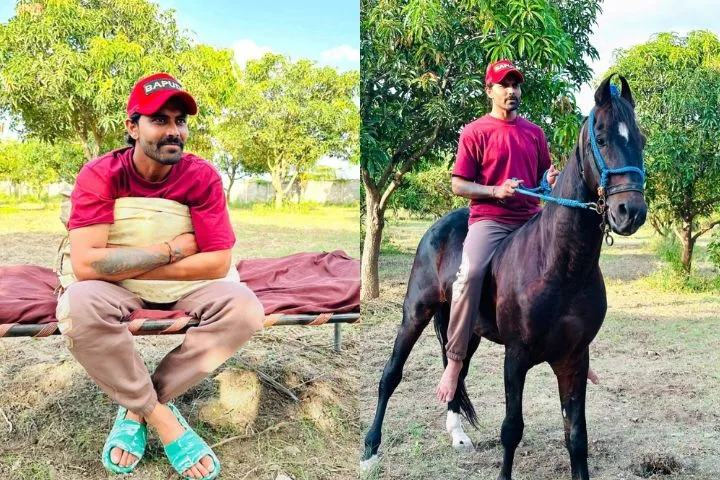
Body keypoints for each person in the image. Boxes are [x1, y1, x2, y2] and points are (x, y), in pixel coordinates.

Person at [55, 73, 265, 479]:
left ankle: (137, 406)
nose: (174, 131)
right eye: (160, 120)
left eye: (180, 120)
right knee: (77, 309)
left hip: (188, 288)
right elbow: (87, 266)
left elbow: (217, 263)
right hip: (115, 289)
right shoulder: (101, 175)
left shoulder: (201, 176)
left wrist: (125, 256)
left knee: (245, 310)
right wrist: (171, 248)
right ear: (132, 127)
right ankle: (162, 419)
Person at [435, 60, 596, 403]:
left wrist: (549, 181)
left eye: (516, 85)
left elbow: (542, 179)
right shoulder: (475, 131)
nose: (512, 91)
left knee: (574, 269)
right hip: (491, 221)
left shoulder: (534, 133)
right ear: (489, 90)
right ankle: (455, 360)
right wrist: (495, 191)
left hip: (531, 219)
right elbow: (459, 185)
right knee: (470, 274)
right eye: (504, 85)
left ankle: (577, 352)